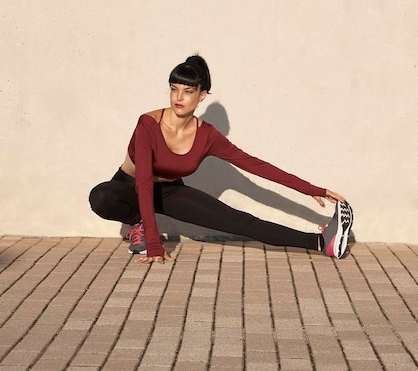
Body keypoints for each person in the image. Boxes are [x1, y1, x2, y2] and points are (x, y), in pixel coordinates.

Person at [89, 55, 353, 265]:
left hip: (169, 191)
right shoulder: (148, 124)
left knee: (240, 221)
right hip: (129, 187)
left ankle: (322, 242)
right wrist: (154, 242)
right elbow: (144, 181)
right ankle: (139, 225)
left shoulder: (207, 136)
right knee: (100, 196)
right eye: (174, 89)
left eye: (188, 91)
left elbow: (255, 166)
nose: (179, 98)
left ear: (202, 95)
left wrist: (312, 190)